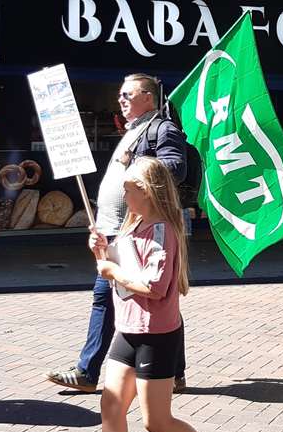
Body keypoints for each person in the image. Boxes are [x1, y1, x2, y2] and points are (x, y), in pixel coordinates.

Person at [63, 157, 243, 432]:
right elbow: (120, 266)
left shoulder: (162, 230)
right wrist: (103, 250)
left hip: (156, 336)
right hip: (127, 330)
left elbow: (154, 286)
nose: (122, 194)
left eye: (127, 189)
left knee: (156, 421)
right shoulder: (134, 225)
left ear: (145, 192)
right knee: (111, 408)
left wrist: (111, 268)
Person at [47, 74, 189, 394]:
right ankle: (173, 372)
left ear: (148, 98)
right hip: (118, 228)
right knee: (156, 302)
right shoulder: (133, 131)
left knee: (109, 297)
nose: (121, 100)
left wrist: (137, 161)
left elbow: (176, 167)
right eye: (120, 95)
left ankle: (87, 371)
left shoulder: (161, 129)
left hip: (139, 231)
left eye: (128, 94)